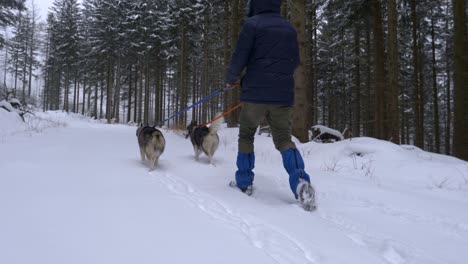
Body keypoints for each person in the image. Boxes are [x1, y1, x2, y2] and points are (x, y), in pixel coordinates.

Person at [225, 0, 316, 211]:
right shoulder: (289, 28)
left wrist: (232, 78)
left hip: (255, 95)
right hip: (282, 96)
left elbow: (240, 55)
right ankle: (301, 182)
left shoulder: (252, 24)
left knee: (247, 134)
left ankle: (244, 182)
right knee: (284, 139)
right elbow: (294, 61)